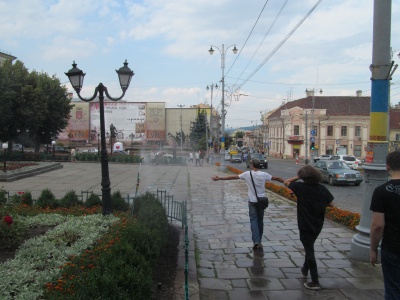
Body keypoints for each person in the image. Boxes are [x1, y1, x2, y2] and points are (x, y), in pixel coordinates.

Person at [211, 158, 284, 250]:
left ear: (252, 165)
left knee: (253, 220)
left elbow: (233, 177)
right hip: (261, 201)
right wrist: (285, 182)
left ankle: (256, 241)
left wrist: (220, 178)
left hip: (252, 201)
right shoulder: (264, 174)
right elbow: (276, 178)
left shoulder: (247, 174)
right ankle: (259, 241)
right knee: (260, 221)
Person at [284, 165, 334, 290]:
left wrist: (298, 176)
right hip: (318, 223)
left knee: (309, 251)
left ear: (303, 177)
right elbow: (331, 204)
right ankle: (305, 268)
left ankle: (315, 281)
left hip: (305, 223)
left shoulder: (299, 187)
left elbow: (287, 182)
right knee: (309, 246)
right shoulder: (322, 189)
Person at [370, 151, 400, 300]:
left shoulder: (381, 191)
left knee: (393, 288)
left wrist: (373, 249)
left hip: (392, 247)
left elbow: (378, 225)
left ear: (387, 166)